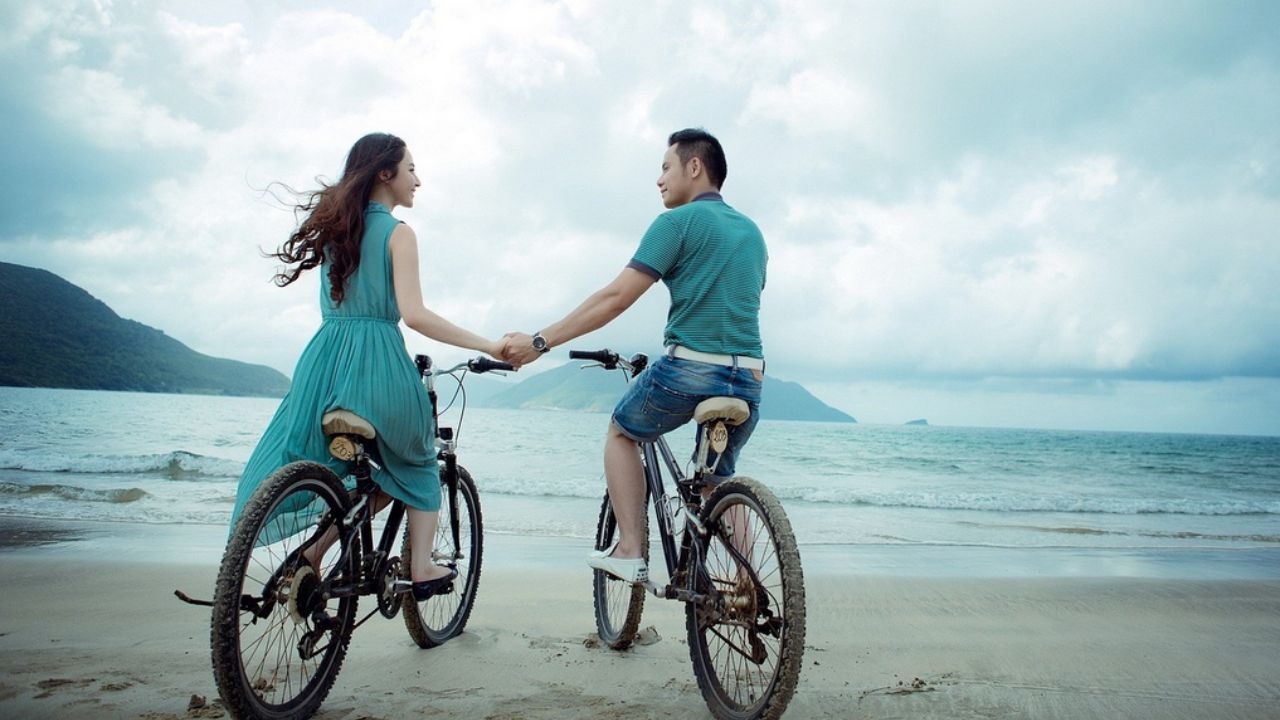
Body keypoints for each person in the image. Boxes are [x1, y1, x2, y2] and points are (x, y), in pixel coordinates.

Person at [230, 132, 504, 600]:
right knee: (417, 458)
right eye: (411, 169)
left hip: (324, 365)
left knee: (354, 471)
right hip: (376, 362)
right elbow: (414, 315)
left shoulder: (337, 231)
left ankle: (314, 554)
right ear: (386, 173)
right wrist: (490, 345)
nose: (418, 179)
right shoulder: (399, 234)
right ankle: (420, 565)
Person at [502, 128, 767, 583]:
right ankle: (750, 583)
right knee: (716, 482)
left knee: (622, 432)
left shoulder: (675, 224)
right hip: (749, 379)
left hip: (689, 371)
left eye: (666, 167)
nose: (660, 179)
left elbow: (615, 299)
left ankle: (629, 550)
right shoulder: (753, 233)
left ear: (695, 167)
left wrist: (540, 341)